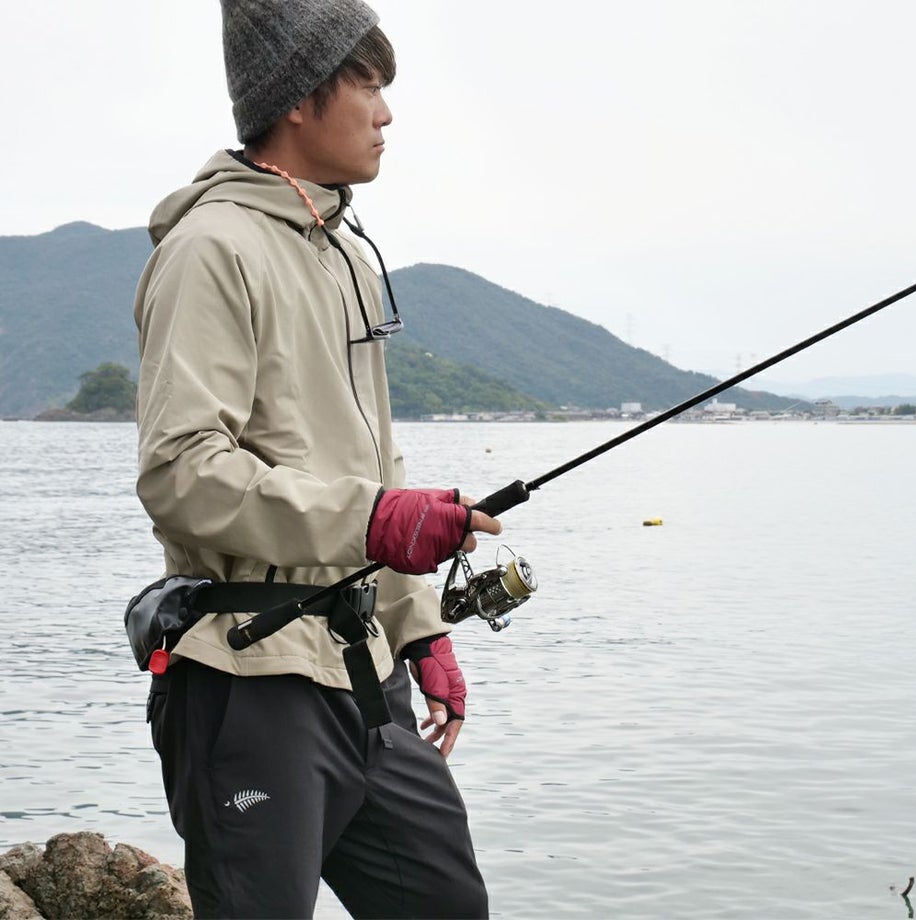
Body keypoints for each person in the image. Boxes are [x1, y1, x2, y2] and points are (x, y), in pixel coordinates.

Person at [132, 1, 499, 916]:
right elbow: (179, 473)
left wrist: (419, 627)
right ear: (297, 97)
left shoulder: (348, 260)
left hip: (365, 672)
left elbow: (375, 465)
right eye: (367, 85)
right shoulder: (211, 249)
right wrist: (373, 521)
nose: (386, 112)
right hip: (249, 680)